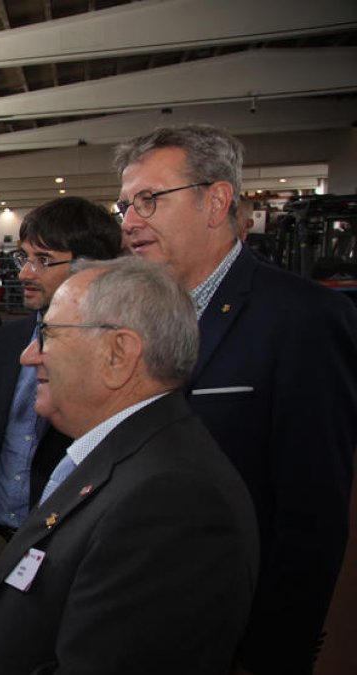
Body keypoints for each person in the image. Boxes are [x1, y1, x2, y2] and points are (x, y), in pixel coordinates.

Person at [0, 257, 260, 675]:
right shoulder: (120, 453)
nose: (29, 356)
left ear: (119, 354)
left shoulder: (172, 504)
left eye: (48, 335)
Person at [113, 124, 357, 674]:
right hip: (139, 613)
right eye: (125, 205)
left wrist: (273, 648)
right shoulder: (138, 316)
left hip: (235, 629)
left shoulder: (303, 319)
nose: (130, 222)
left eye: (149, 200)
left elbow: (312, 514)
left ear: (216, 200)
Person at [0, 196, 121, 597]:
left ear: (91, 268)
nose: (25, 272)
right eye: (23, 258)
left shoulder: (116, 357)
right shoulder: (5, 341)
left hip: (66, 546)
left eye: (43, 260)